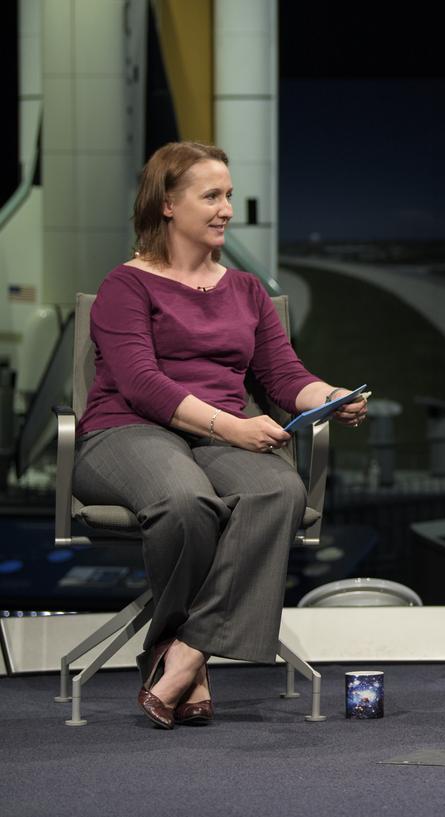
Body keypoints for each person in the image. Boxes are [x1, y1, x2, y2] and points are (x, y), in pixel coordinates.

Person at [73, 142, 368, 729]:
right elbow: (141, 384)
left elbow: (284, 377)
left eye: (229, 195)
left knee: (280, 492)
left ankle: (184, 653)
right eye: (211, 196)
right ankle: (186, 658)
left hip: (216, 441)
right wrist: (234, 425)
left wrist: (330, 397)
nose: (226, 209)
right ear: (166, 204)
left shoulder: (246, 292)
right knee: (184, 501)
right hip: (127, 430)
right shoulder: (125, 286)